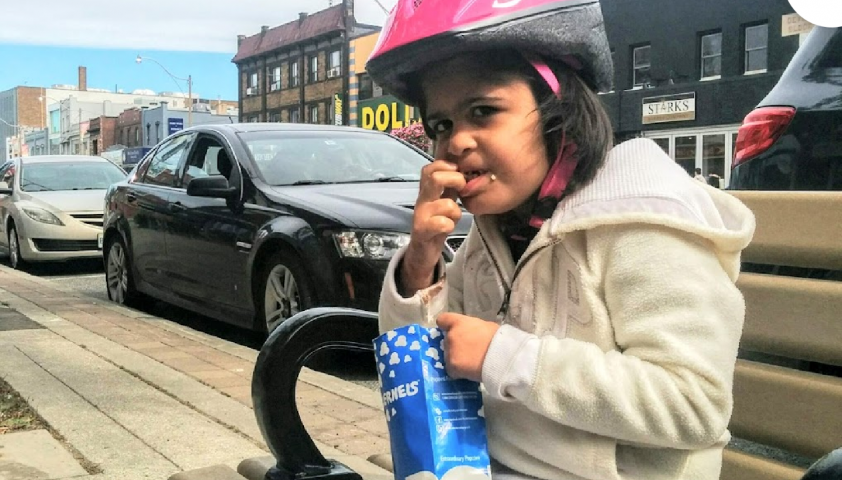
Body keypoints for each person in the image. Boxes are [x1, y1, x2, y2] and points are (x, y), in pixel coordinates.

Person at [367, 1, 756, 480]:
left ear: (560, 113)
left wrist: (504, 356)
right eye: (441, 124)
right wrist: (421, 261)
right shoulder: (496, 230)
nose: (456, 141)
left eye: (483, 111)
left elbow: (694, 405)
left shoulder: (643, 221)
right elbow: (415, 360)